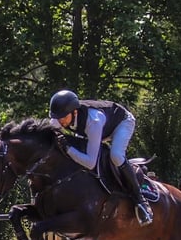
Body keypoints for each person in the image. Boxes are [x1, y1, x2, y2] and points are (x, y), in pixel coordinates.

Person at [48, 89, 153, 226]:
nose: (60, 121)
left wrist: (68, 149)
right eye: (58, 117)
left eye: (63, 117)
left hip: (122, 123)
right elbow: (48, 130)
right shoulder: (60, 117)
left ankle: (140, 199)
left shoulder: (93, 121)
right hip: (100, 129)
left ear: (74, 112)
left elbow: (90, 163)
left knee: (115, 155)